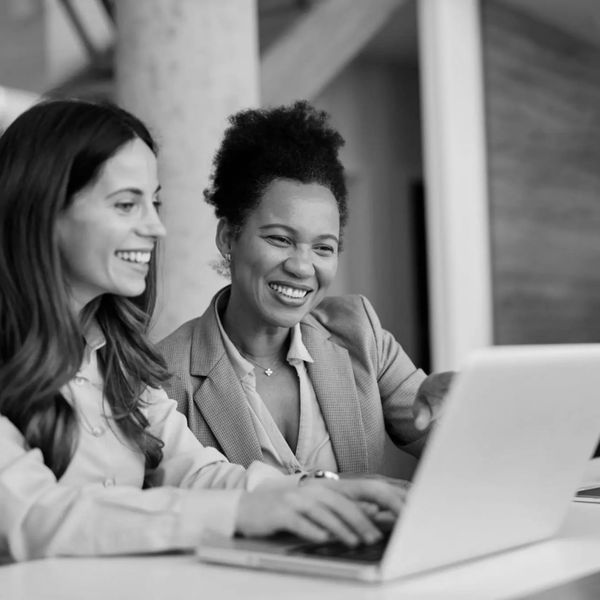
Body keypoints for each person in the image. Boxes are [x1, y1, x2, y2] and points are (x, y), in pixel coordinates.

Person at [0, 99, 406, 562]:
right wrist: (238, 513)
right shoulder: (166, 362)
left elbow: (195, 472)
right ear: (43, 208)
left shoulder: (117, 359)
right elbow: (32, 518)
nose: (156, 227)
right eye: (127, 204)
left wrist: (316, 492)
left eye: (154, 204)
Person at [158, 101, 453, 477]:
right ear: (228, 237)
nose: (301, 266)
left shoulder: (360, 335)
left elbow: (454, 446)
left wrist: (463, 411)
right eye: (280, 239)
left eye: (323, 248)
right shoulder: (166, 376)